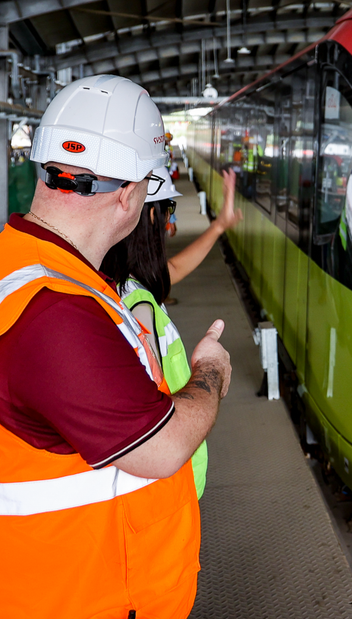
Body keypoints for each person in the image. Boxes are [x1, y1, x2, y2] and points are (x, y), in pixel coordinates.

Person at [0, 75, 232, 619]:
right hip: (63, 597)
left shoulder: (26, 268)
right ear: (127, 192)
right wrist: (208, 374)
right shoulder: (51, 309)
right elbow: (163, 448)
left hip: (49, 586)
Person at [101, 167, 243, 499]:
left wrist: (220, 225)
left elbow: (172, 271)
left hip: (163, 481)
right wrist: (209, 367)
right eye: (168, 211)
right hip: (165, 488)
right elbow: (147, 421)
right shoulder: (138, 308)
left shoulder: (122, 281)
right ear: (150, 216)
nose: (170, 225)